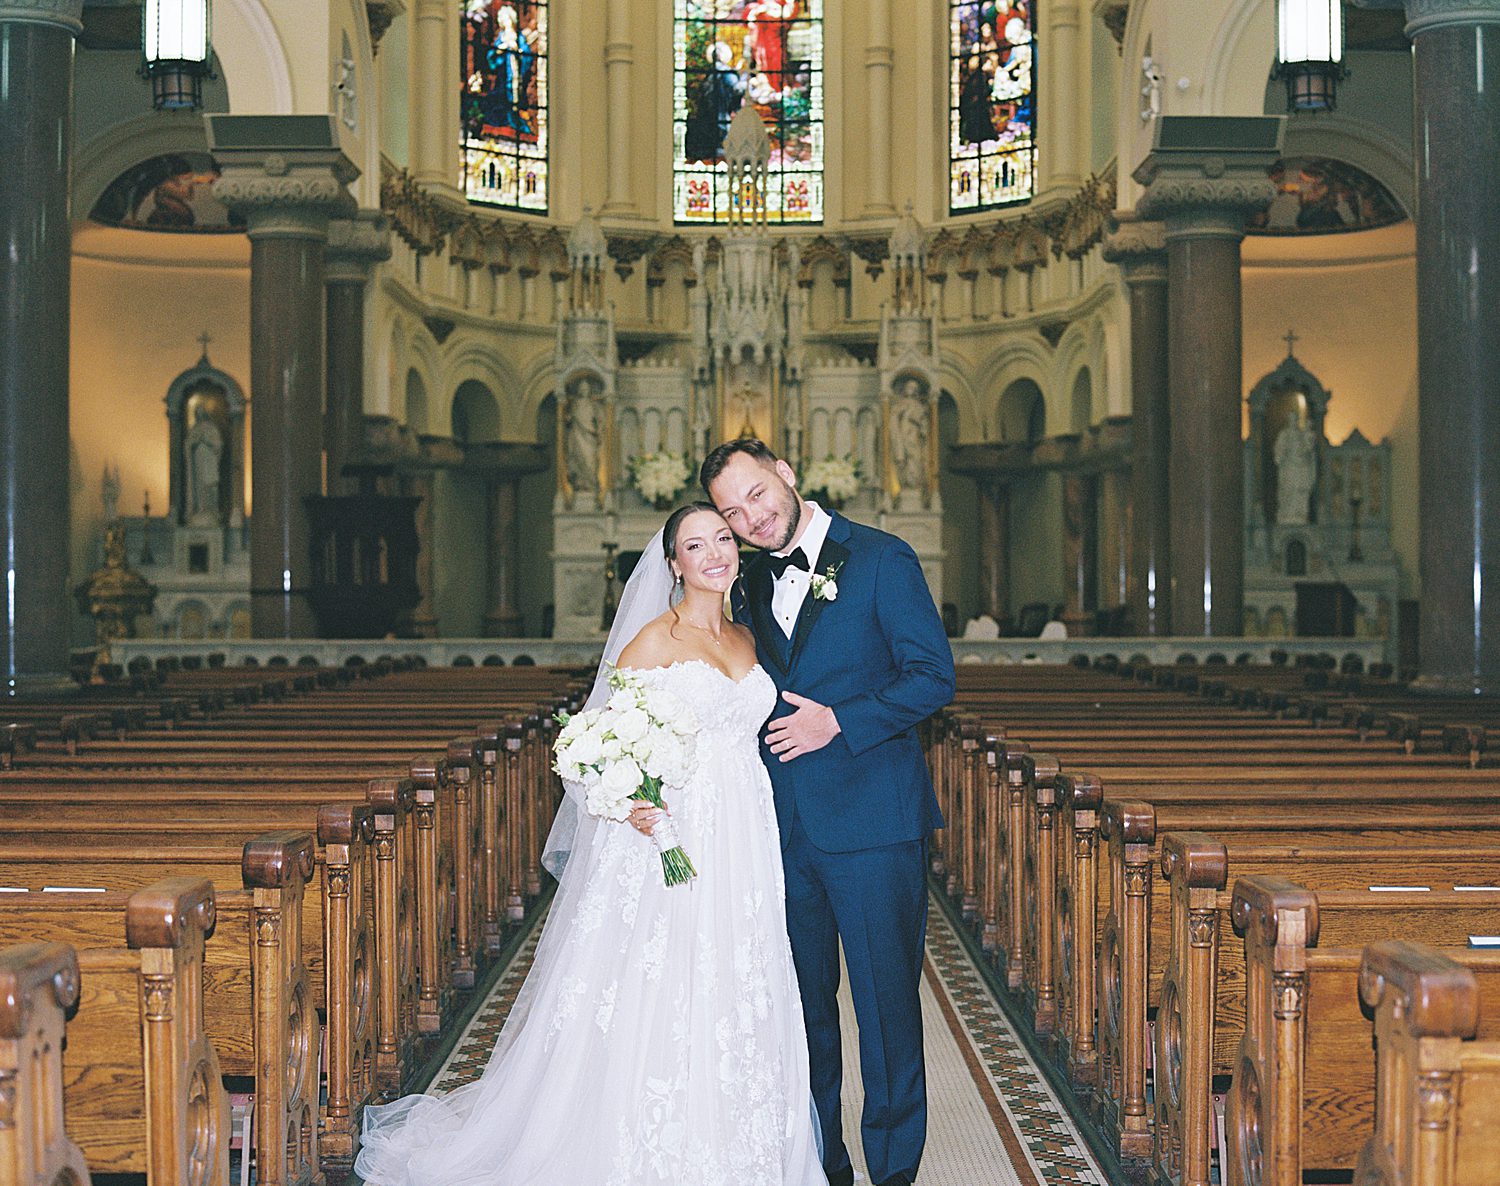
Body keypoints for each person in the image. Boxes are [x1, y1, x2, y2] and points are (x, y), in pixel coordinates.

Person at [355, 503, 827, 1186]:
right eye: (696, 545)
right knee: (663, 984)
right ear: (674, 564)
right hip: (674, 833)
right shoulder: (651, 643)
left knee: (740, 972)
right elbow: (590, 751)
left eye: (723, 539)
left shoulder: (749, 641)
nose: (715, 553)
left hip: (743, 836)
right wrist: (633, 800)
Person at [701, 439, 956, 1186]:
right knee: (800, 1009)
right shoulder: (739, 587)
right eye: (730, 511)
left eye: (755, 494)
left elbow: (932, 677)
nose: (750, 517)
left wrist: (839, 720)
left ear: (785, 472)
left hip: (875, 826)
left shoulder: (881, 558)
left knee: (884, 1013)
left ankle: (892, 1171)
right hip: (777, 834)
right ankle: (824, 1163)